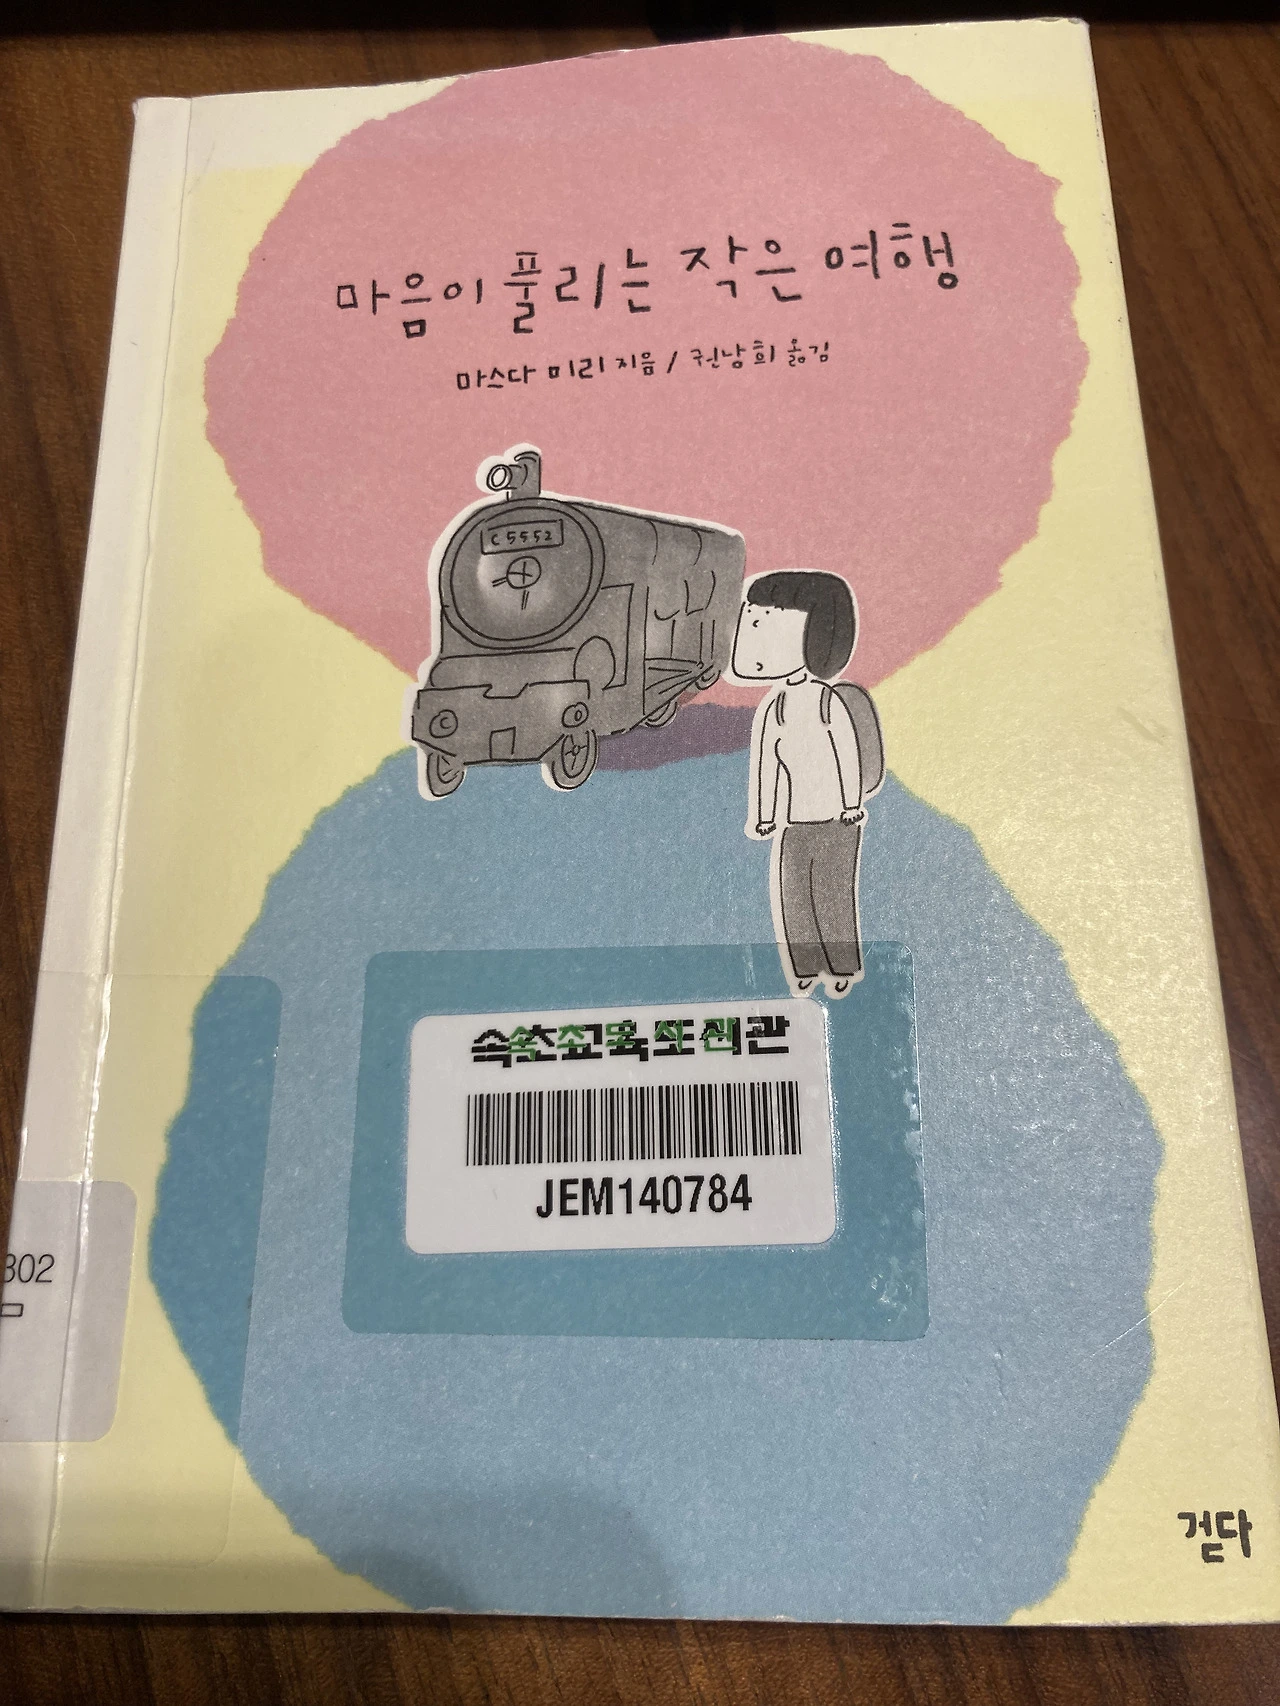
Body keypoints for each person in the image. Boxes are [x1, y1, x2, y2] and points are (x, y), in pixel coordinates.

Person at [732, 570, 871, 996]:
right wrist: (764, 815)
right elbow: (766, 766)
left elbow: (847, 754)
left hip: (836, 822)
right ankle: (806, 967)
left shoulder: (828, 702)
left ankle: (842, 967)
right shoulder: (774, 708)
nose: (755, 639)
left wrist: (851, 805)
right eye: (753, 622)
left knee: (832, 894)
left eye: (769, 626)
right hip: (794, 824)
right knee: (795, 896)